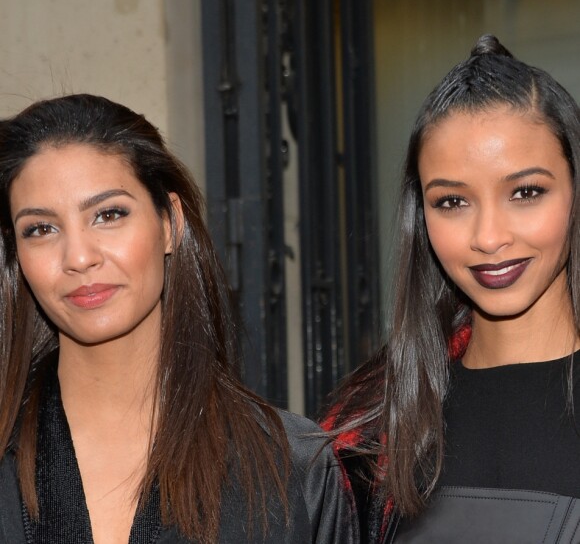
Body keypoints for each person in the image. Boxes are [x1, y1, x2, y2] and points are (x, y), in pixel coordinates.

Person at [0, 94, 358, 544]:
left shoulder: (292, 468)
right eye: (40, 229)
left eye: (109, 215)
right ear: (17, 254)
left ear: (170, 223)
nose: (78, 257)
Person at [323, 34, 580, 543]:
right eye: (452, 203)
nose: (489, 237)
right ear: (421, 217)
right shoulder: (367, 432)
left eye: (525, 192)